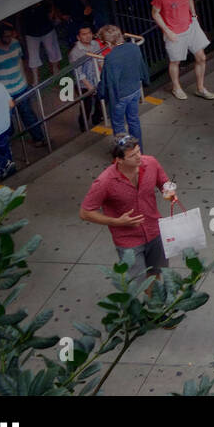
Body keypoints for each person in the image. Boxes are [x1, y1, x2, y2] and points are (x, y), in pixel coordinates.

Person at [79, 134, 177, 279]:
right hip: (128, 240)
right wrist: (116, 222)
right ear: (118, 160)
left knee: (156, 274)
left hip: (155, 230)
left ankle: (154, 301)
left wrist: (170, 192)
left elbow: (164, 182)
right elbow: (85, 212)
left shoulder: (151, 163)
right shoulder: (104, 182)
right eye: (132, 155)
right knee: (138, 281)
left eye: (139, 151)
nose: (139, 157)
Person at [151, 0, 214, 100]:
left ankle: (201, 88)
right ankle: (176, 87)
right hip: (174, 32)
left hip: (190, 26)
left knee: (201, 57)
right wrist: (167, 31)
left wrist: (193, 13)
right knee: (175, 61)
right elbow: (155, 13)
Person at [0, 23, 46, 146]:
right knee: (6, 120)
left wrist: (26, 80)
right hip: (4, 93)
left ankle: (39, 138)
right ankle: (7, 141)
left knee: (28, 114)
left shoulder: (15, 43)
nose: (9, 39)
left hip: (20, 87)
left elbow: (21, 61)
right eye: (6, 37)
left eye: (10, 36)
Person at [97, 24, 148, 144]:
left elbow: (107, 81)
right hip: (135, 89)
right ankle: (138, 151)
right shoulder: (134, 47)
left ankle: (125, 154)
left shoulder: (110, 58)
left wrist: (100, 93)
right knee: (134, 120)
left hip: (119, 96)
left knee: (119, 126)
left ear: (108, 43)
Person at [68, 25, 105, 130]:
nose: (88, 36)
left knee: (100, 101)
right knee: (86, 106)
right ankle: (83, 125)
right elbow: (78, 73)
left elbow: (99, 60)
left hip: (96, 78)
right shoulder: (75, 53)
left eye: (89, 33)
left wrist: (104, 73)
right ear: (78, 37)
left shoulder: (95, 44)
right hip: (83, 84)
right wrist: (89, 87)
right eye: (84, 34)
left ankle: (97, 119)